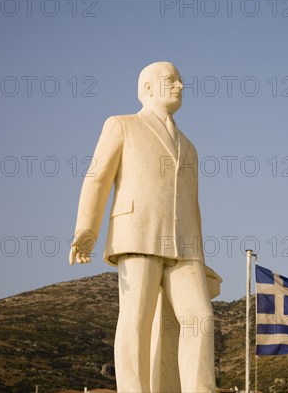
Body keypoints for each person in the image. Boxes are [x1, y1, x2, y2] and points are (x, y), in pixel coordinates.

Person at [70, 61, 217, 392]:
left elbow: (193, 207)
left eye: (181, 80)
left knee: (201, 319)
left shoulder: (189, 147)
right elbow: (97, 178)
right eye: (171, 80)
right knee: (136, 319)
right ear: (148, 88)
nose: (180, 85)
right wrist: (87, 229)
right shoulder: (121, 125)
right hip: (137, 234)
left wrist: (202, 260)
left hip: (185, 246)